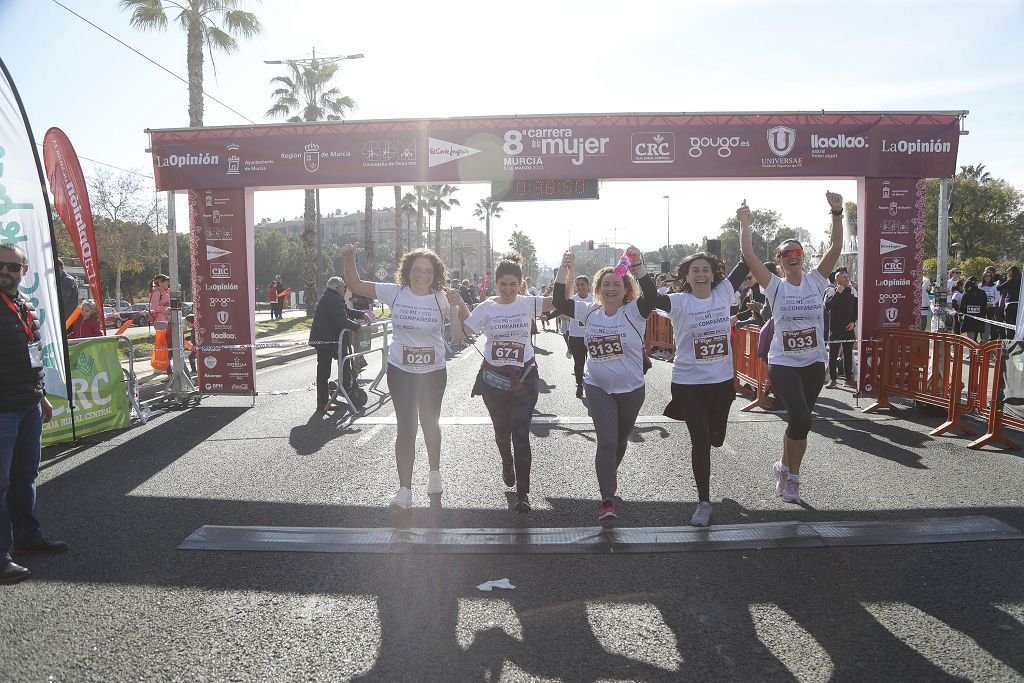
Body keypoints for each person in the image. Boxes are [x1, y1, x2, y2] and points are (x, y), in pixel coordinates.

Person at [740, 193, 844, 504]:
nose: (792, 255)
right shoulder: (775, 285)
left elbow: (836, 247)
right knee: (801, 417)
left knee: (799, 421)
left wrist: (836, 212)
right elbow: (748, 255)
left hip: (813, 362)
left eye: (796, 251)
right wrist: (745, 223)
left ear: (803, 257)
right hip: (783, 363)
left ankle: (784, 467)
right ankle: (794, 480)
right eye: (786, 253)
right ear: (780, 261)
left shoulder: (816, 280)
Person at [343, 244, 458, 508]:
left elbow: (463, 327)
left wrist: (457, 305)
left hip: (433, 372)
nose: (422, 275)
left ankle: (434, 474)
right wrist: (350, 259)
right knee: (406, 427)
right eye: (416, 270)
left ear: (436, 273)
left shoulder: (442, 297)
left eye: (428, 271)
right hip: (401, 370)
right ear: (407, 271)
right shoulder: (394, 293)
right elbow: (355, 284)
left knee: (431, 423)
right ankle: (404, 490)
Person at [649, 250, 750, 526]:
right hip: (688, 384)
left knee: (716, 439)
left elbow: (745, 262)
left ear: (714, 274)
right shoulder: (680, 302)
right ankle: (703, 502)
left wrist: (744, 224)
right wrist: (637, 268)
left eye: (706, 269)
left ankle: (716, 435)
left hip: (721, 385)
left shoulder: (724, 292)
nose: (701, 274)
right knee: (701, 441)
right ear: (687, 277)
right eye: (695, 270)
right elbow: (651, 298)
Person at [451, 252, 557, 513]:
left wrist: (566, 269)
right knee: (502, 433)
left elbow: (561, 301)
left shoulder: (528, 303)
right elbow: (459, 334)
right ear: (495, 284)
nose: (508, 290)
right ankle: (506, 461)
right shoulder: (486, 307)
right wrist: (454, 306)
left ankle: (523, 493)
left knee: (521, 433)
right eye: (503, 285)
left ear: (520, 284)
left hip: (525, 378)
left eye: (513, 284)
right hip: (493, 381)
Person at [552, 246, 652, 522]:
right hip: (597, 387)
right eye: (605, 284)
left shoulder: (635, 312)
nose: (610, 289)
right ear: (598, 289)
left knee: (619, 440)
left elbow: (652, 295)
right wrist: (565, 267)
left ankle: (609, 472)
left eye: (616, 284)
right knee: (607, 440)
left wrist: (638, 264)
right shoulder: (589, 311)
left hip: (631, 390)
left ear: (625, 288)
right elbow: (560, 300)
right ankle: (607, 500)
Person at [0, 242, 67, 585]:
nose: (5, 272)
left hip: (27, 405)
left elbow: (33, 355)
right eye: (0, 265)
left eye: (13, 266)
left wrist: (41, 396)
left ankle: (27, 539)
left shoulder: (23, 305)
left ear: (24, 271)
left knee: (24, 478)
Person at [309, 277, 363, 414]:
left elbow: (346, 312)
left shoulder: (331, 296)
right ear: (337, 287)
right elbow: (342, 320)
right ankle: (324, 401)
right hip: (327, 340)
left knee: (342, 363)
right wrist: (357, 327)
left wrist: (362, 314)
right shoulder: (333, 298)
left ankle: (342, 389)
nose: (345, 289)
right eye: (343, 286)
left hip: (330, 340)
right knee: (325, 371)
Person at [824, 268, 858, 388]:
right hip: (835, 328)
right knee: (833, 355)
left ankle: (848, 379)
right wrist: (838, 292)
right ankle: (833, 379)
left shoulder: (852, 290)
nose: (846, 279)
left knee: (848, 354)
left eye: (847, 277)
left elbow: (856, 308)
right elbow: (828, 306)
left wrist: (853, 322)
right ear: (837, 279)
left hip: (848, 328)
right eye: (844, 277)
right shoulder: (831, 290)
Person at [565, 275, 593, 398]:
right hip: (576, 335)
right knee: (579, 362)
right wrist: (549, 317)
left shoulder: (595, 299)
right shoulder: (572, 300)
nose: (581, 287)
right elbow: (560, 310)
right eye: (578, 285)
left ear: (588, 285)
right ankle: (579, 385)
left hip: (592, 335)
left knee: (592, 362)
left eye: (583, 284)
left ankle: (593, 386)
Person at [149, 274, 172, 377]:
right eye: (166, 281)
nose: (168, 283)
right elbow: (154, 307)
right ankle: (158, 367)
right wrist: (166, 309)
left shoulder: (167, 291)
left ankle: (165, 366)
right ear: (160, 282)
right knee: (161, 344)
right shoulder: (157, 292)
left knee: (168, 345)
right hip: (160, 321)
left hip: (168, 320)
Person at [958, 277, 988, 343]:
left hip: (969, 321)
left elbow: (961, 308)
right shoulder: (982, 293)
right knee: (983, 340)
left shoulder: (966, 294)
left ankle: (971, 353)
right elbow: (984, 305)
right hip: (980, 319)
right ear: (976, 283)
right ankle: (980, 352)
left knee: (971, 342)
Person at [998, 266, 1021, 335]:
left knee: (1010, 325)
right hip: (1020, 305)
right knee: (1019, 325)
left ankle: (1010, 341)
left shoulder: (1010, 281)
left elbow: (999, 288)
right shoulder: (1021, 282)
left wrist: (998, 282)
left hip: (1010, 305)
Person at [979, 270, 1000, 340]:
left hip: (991, 307)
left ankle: (993, 339)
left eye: (989, 276)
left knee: (991, 324)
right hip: (982, 308)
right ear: (983, 277)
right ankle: (984, 340)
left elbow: (997, 297)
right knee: (982, 324)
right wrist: (983, 305)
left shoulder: (994, 285)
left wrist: (991, 304)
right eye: (986, 276)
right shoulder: (979, 286)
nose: (988, 277)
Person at [56, 257, 78, 322]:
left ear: (59, 267)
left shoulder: (67, 280)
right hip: (67, 318)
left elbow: (62, 300)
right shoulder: (64, 279)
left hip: (67, 319)